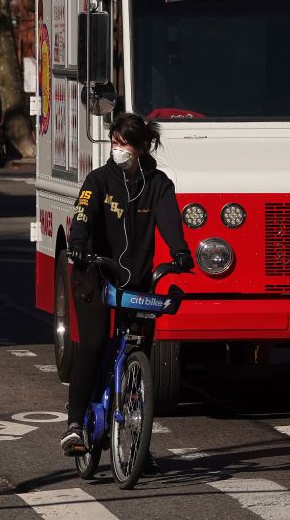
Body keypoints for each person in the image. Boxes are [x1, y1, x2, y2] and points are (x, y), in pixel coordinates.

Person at [60, 113, 193, 458]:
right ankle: (75, 424)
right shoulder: (98, 180)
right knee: (91, 344)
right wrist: (78, 241)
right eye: (114, 142)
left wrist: (180, 253)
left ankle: (136, 442)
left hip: (136, 279)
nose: (118, 149)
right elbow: (83, 216)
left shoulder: (159, 184)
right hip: (94, 274)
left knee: (138, 351)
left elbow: (170, 222)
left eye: (125, 143)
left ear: (142, 147)